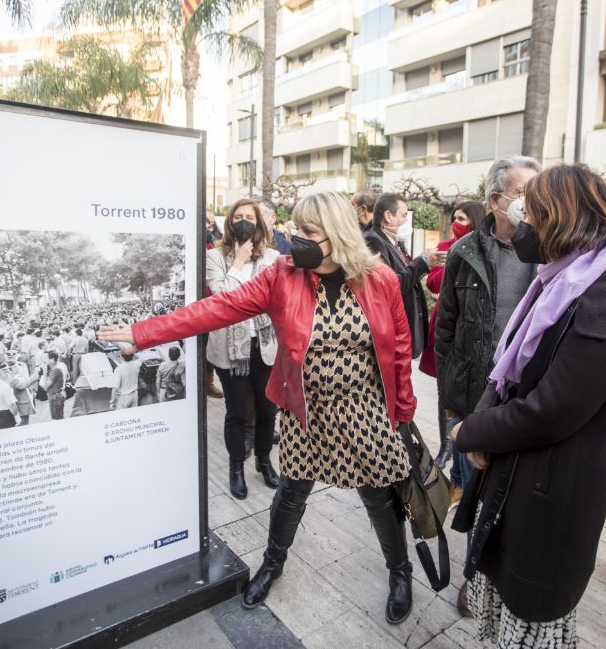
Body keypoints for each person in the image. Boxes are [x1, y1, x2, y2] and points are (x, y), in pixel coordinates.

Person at [98, 192, 418, 626]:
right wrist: (143, 332)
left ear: (338, 234)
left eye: (308, 232)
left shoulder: (380, 279)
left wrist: (402, 412)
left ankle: (400, 574)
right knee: (291, 493)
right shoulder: (281, 276)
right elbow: (217, 309)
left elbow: (399, 347)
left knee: (379, 496)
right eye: (296, 229)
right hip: (306, 409)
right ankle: (272, 563)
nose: (296, 239)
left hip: (365, 408)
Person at [451, 164, 606, 647]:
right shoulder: (560, 281)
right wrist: (483, 420)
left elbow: (550, 410)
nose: (523, 227)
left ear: (562, 219)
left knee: (532, 614)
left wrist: (472, 433)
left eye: (533, 215)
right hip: (519, 472)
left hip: (552, 487)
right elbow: (506, 368)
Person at [433, 155, 540, 615]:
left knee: (513, 496)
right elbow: (446, 328)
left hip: (527, 398)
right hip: (473, 395)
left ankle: (502, 572)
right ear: (496, 199)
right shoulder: (465, 253)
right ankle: (473, 575)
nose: (534, 203)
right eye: (524, 193)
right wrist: (451, 397)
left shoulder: (553, 249)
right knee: (475, 489)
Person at [207, 197, 281, 499]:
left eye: (249, 216)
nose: (243, 221)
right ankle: (237, 466)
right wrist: (237, 262)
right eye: (237, 216)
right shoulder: (215, 257)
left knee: (267, 409)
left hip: (264, 346)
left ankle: (264, 461)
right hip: (229, 350)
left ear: (259, 222)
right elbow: (223, 298)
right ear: (229, 221)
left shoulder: (273, 258)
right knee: (237, 412)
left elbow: (275, 300)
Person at [419, 199, 486, 468]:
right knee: (444, 389)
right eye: (454, 218)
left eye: (461, 219)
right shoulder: (446, 247)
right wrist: (450, 264)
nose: (455, 224)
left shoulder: (485, 248)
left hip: (473, 327)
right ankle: (446, 446)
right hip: (445, 321)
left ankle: (465, 450)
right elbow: (433, 284)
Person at [364, 193, 445, 358]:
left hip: (403, 328)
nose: (407, 221)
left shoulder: (394, 242)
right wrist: (423, 262)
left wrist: (425, 262)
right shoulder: (373, 241)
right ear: (388, 216)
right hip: (391, 331)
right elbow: (391, 284)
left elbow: (405, 275)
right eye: (404, 215)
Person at [204, 209, 226, 400]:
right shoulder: (200, 242)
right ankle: (206, 382)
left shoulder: (215, 242)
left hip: (215, 300)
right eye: (206, 222)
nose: (210, 226)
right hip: (202, 300)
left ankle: (210, 381)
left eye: (211, 222)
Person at [40, 350, 66, 420]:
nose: (44, 360)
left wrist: (45, 372)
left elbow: (46, 386)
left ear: (52, 359)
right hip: (58, 394)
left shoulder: (56, 370)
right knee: (60, 417)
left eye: (45, 358)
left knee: (56, 419)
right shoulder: (61, 365)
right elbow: (68, 377)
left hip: (55, 396)